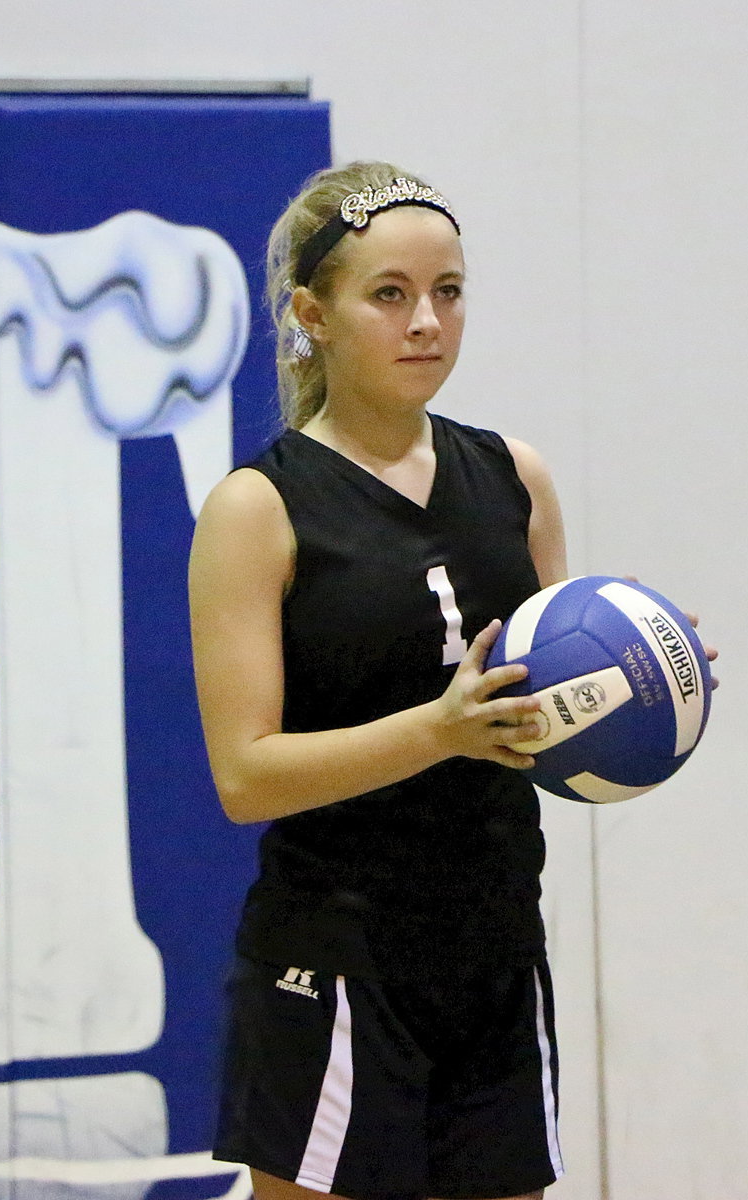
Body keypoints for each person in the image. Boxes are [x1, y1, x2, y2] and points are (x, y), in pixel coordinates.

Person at [188, 161, 570, 1200]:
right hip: (339, 959)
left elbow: (548, 704)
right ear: (312, 313)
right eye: (389, 295)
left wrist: (642, 692)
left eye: (447, 292)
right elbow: (244, 776)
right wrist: (436, 732)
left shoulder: (514, 477)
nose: (426, 323)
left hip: (494, 948)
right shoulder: (259, 508)